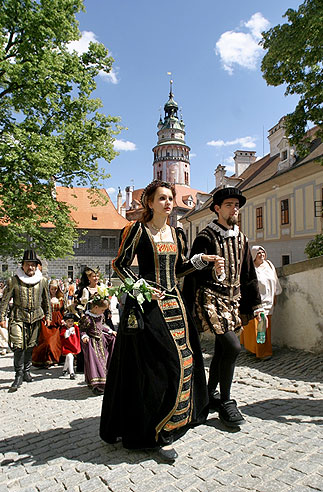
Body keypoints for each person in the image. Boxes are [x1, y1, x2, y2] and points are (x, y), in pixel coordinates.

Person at [100, 180, 218, 462]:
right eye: (162, 198)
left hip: (176, 305)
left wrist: (202, 260)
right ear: (149, 203)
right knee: (161, 366)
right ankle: (157, 431)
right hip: (149, 309)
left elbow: (179, 269)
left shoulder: (177, 234)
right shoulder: (137, 230)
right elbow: (119, 265)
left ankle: (178, 420)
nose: (168, 203)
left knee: (186, 360)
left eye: (170, 198)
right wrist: (140, 286)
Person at [183, 187, 262, 428]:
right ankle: (227, 401)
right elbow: (191, 270)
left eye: (236, 205)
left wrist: (255, 304)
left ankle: (208, 395)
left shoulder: (242, 238)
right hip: (209, 298)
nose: (234, 209)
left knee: (222, 350)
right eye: (229, 205)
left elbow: (248, 273)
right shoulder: (206, 237)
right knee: (233, 346)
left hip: (233, 300)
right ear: (217, 208)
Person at [0, 249, 52, 391]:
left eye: (33, 264)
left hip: (35, 317)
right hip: (18, 316)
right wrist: (1, 317)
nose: (30, 267)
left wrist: (48, 315)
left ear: (36, 266)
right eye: (28, 264)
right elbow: (5, 300)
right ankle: (18, 375)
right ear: (23, 265)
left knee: (30, 345)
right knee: (18, 345)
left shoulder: (42, 281)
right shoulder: (13, 281)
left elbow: (46, 300)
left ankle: (27, 371)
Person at [240, 246, 282, 359]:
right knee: (258, 327)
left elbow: (275, 280)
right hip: (256, 302)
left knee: (264, 327)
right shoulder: (251, 267)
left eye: (263, 252)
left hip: (268, 301)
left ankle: (260, 350)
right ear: (254, 255)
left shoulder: (269, 265)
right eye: (259, 253)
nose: (262, 254)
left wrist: (276, 295)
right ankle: (261, 352)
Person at [80, 296, 116, 395]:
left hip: (101, 342)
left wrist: (110, 331)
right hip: (92, 344)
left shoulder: (100, 316)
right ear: (95, 307)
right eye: (102, 309)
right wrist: (84, 337)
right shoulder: (87, 318)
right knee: (95, 363)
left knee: (103, 361)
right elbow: (82, 330)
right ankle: (97, 384)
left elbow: (102, 327)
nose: (103, 312)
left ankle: (104, 382)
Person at [32, 280, 64, 367]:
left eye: (55, 289)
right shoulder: (44, 298)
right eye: (52, 289)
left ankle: (54, 359)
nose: (54, 291)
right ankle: (45, 359)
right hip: (47, 320)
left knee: (55, 342)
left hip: (57, 321)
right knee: (46, 341)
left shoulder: (60, 298)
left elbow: (63, 310)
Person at [60, 312, 81, 379]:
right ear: (65, 321)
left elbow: (78, 336)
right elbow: (63, 336)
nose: (70, 323)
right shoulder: (63, 329)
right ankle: (72, 373)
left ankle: (64, 370)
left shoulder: (76, 328)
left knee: (68, 358)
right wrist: (68, 331)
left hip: (73, 346)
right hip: (66, 346)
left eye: (72, 321)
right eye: (68, 321)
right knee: (70, 357)